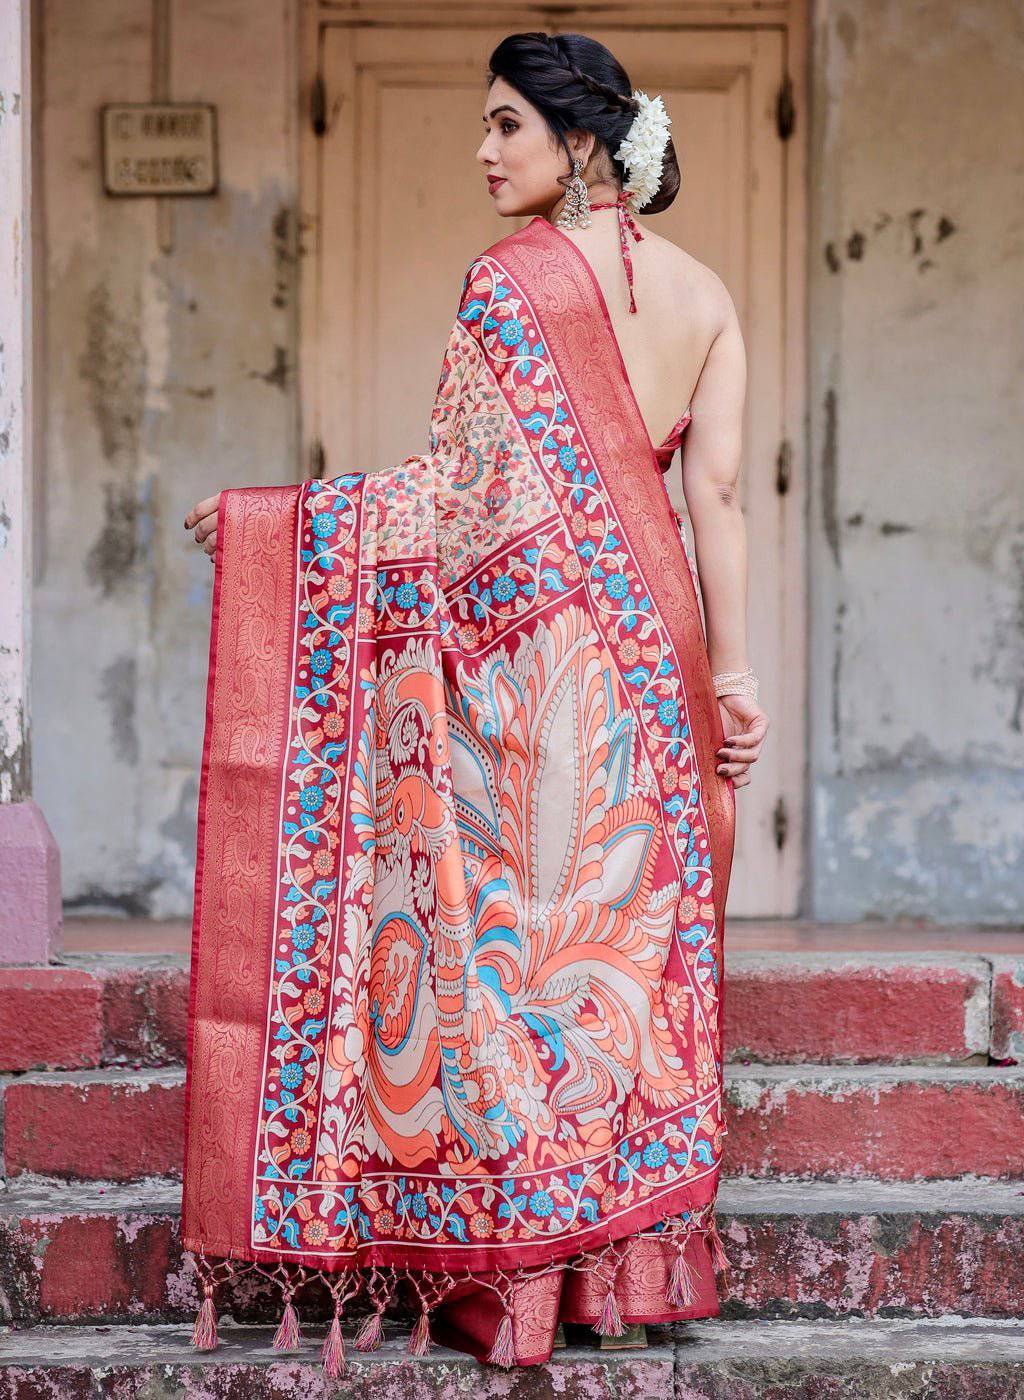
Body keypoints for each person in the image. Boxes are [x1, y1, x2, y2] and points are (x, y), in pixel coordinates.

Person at [180, 29, 768, 1374]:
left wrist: (276, 528)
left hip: (530, 658)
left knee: (524, 968)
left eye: (508, 125)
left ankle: (523, 1289)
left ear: (580, 144)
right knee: (621, 960)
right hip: (654, 649)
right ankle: (621, 1282)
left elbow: (455, 496)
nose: (485, 151)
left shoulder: (513, 282)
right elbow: (715, 496)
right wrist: (732, 676)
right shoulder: (709, 294)